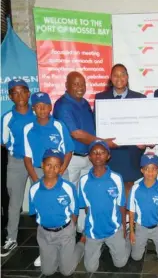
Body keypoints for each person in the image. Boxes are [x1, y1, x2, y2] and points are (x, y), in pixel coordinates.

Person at [53, 71, 115, 233]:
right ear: (66, 86)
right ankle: (68, 232)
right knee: (70, 195)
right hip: (71, 159)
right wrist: (102, 142)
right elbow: (76, 134)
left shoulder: (85, 103)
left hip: (88, 158)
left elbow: (94, 127)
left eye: (82, 84)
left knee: (85, 194)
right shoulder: (62, 105)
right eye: (76, 84)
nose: (80, 88)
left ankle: (82, 229)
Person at [28, 149, 85, 276]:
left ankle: (81, 244)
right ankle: (59, 254)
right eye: (48, 165)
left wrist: (71, 228)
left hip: (65, 232)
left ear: (60, 168)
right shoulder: (34, 189)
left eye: (56, 166)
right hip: (45, 234)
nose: (52, 169)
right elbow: (34, 212)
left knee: (66, 271)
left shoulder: (68, 187)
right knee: (47, 272)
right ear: (42, 165)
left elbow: (75, 210)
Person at [78, 140, 131, 272]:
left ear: (108, 156)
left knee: (121, 263)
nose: (98, 156)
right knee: (90, 269)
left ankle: (127, 240)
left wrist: (124, 228)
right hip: (93, 231)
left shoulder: (116, 178)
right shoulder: (84, 181)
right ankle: (96, 245)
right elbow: (86, 208)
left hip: (114, 229)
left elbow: (121, 206)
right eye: (94, 153)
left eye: (102, 153)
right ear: (89, 156)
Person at [95, 64, 147, 197]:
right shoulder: (100, 98)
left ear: (127, 77)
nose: (119, 78)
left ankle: (129, 218)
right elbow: (97, 125)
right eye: (116, 75)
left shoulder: (140, 99)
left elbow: (145, 126)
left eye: (122, 74)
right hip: (109, 154)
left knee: (129, 190)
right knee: (110, 190)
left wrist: (145, 140)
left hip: (131, 154)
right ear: (111, 78)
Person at [1, 79, 35, 257]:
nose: (20, 95)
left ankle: (47, 237)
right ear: (10, 96)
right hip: (16, 162)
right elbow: (4, 142)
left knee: (43, 197)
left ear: (29, 93)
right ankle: (11, 238)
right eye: (15, 92)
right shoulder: (7, 117)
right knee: (14, 202)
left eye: (23, 91)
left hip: (37, 162)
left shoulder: (38, 112)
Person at [127, 153, 158, 262]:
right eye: (147, 169)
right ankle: (129, 239)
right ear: (142, 170)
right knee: (136, 257)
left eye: (153, 169)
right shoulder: (135, 188)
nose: (150, 172)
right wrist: (132, 231)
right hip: (141, 227)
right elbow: (132, 211)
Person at [23, 92, 74, 183]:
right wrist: (34, 178)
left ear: (50, 107)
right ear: (33, 109)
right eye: (38, 106)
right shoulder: (28, 128)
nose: (42, 109)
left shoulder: (59, 125)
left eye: (45, 105)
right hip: (38, 172)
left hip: (59, 171)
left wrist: (60, 171)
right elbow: (27, 157)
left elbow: (69, 151)